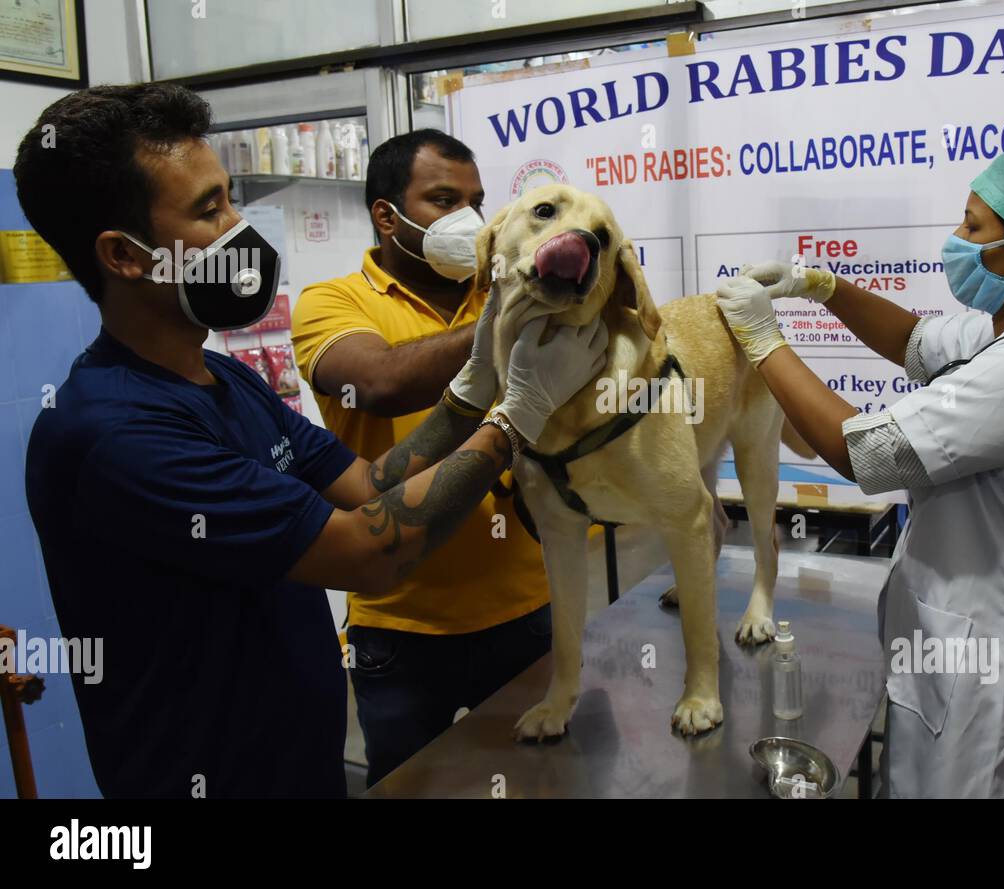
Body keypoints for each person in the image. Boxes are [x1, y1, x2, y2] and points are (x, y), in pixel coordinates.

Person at [14, 84, 605, 798]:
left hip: (301, 769)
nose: (240, 227)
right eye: (209, 210)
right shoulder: (114, 432)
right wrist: (516, 415)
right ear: (125, 255)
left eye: (230, 198)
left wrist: (480, 373)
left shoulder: (228, 381)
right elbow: (369, 550)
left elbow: (371, 483)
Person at [716, 138, 1004, 798]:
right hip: (956, 645)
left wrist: (765, 343)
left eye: (973, 226)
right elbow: (913, 339)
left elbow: (864, 453)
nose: (956, 239)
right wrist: (822, 287)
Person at [291, 130, 554, 788]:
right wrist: (512, 313)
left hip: (525, 608)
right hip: (403, 628)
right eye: (443, 200)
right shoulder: (333, 302)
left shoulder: (491, 290)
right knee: (415, 786)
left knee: (542, 781)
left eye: (477, 200)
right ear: (387, 215)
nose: (470, 219)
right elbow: (379, 383)